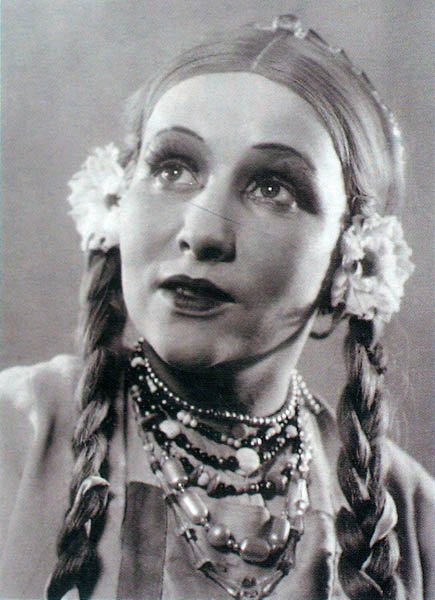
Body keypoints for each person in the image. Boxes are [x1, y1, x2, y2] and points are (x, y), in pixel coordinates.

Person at [0, 14, 433, 600]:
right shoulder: (20, 434)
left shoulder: (407, 513)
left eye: (273, 188)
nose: (202, 232)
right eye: (173, 169)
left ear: (350, 264)